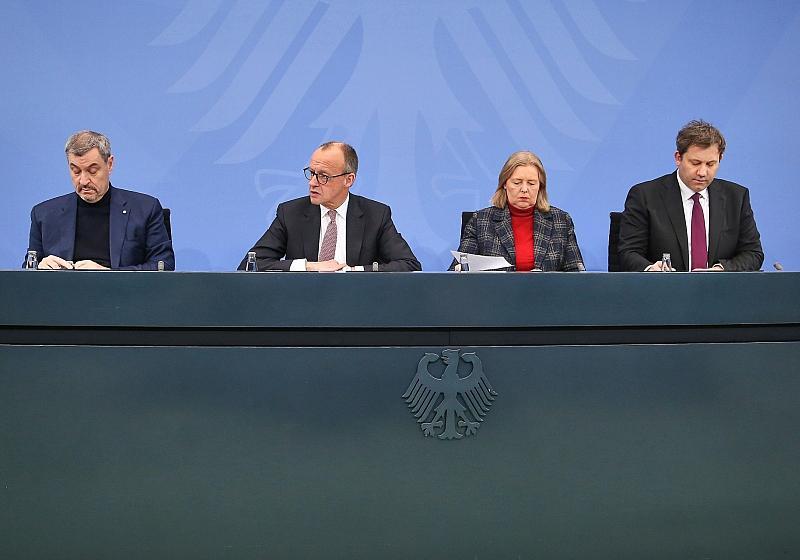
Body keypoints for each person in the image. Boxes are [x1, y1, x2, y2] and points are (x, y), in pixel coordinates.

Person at [238, 141, 421, 272]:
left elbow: (409, 264)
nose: (312, 183)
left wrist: (353, 272)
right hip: (302, 306)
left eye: (323, 176)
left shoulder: (376, 215)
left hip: (357, 305)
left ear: (348, 180)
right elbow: (251, 264)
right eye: (312, 173)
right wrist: (309, 266)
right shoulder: (291, 213)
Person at [618, 120, 763, 272]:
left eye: (710, 164)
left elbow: (753, 253)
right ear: (678, 158)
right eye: (695, 163)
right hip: (664, 286)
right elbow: (628, 252)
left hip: (719, 286)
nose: (702, 172)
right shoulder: (645, 196)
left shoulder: (736, 197)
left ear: (720, 159)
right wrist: (650, 269)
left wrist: (721, 270)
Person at [27, 130, 175, 270]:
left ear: (109, 164)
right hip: (63, 289)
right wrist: (39, 268)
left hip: (121, 289)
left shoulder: (145, 209)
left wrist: (107, 274)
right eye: (76, 171)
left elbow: (163, 265)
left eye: (92, 171)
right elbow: (28, 270)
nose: (83, 181)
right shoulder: (43, 215)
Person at [450, 150, 584, 271]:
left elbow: (576, 273)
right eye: (517, 182)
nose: (524, 189)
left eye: (531, 183)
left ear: (540, 187)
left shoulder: (561, 221)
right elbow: (458, 272)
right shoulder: (480, 221)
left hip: (546, 291)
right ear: (504, 184)